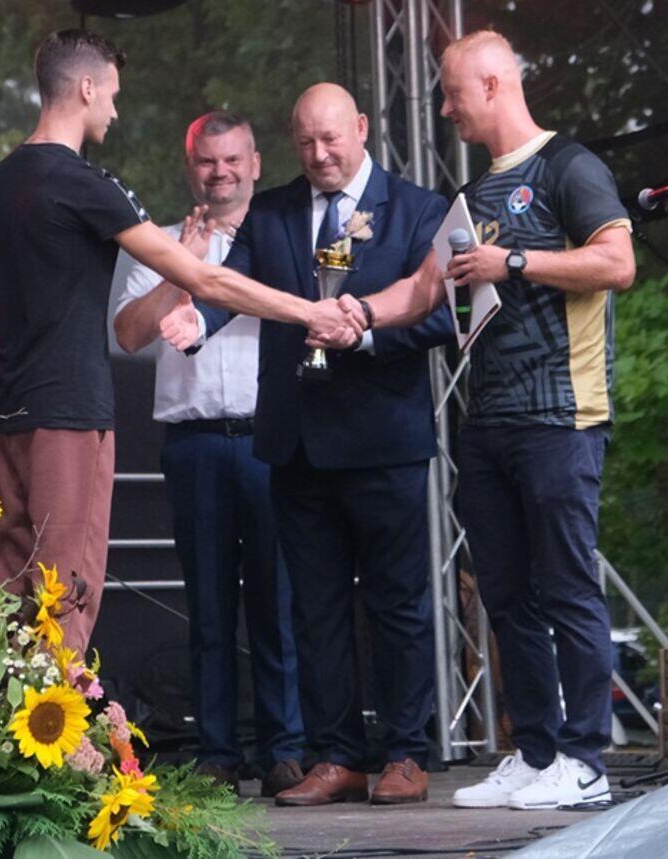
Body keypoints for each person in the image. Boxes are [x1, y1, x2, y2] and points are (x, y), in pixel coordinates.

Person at [0, 29, 363, 657]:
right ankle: (55, 720)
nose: (115, 110)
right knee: (65, 591)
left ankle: (8, 715)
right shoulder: (84, 182)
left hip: (10, 413)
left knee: (14, 590)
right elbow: (204, 279)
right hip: (69, 412)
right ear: (87, 87)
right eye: (112, 94)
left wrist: (5, 402)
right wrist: (308, 309)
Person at [350, 30, 636, 811]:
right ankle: (535, 751)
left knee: (567, 586)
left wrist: (514, 261)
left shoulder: (569, 166)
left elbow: (618, 262)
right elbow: (422, 288)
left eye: (450, 94)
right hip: (488, 420)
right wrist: (351, 314)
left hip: (561, 415)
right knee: (505, 595)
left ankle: (586, 759)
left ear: (489, 83)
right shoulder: (472, 197)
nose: (444, 110)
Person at [162, 83, 454, 806]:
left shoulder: (418, 209)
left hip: (383, 441)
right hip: (296, 443)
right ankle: (336, 755)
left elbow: (440, 316)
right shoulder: (273, 211)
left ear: (362, 128)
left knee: (397, 604)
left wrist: (365, 332)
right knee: (315, 610)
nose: (319, 155)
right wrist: (196, 322)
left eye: (331, 140)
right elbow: (232, 286)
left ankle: (406, 752)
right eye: (305, 143)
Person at [113, 110, 305, 797]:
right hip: (194, 442)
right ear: (189, 166)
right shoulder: (160, 243)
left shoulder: (285, 238)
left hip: (268, 438)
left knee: (278, 601)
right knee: (209, 604)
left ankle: (286, 750)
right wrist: (182, 271)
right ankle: (217, 751)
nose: (219, 172)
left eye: (231, 160)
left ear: (255, 164)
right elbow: (129, 334)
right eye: (206, 161)